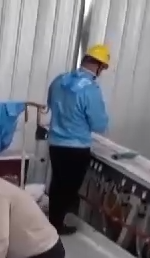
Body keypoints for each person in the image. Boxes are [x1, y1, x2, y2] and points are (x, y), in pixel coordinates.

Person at [45, 44, 111, 236]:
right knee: (69, 187)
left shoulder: (60, 80)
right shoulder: (90, 90)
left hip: (55, 144)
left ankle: (53, 221)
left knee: (57, 183)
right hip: (76, 148)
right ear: (98, 66)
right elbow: (99, 124)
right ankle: (56, 225)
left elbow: (50, 104)